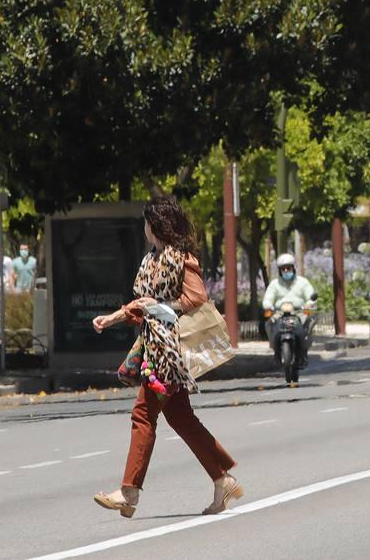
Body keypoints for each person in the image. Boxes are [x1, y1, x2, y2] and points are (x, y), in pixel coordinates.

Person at [91, 196, 241, 519]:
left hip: (169, 352)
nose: (144, 228)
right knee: (181, 419)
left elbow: (196, 296)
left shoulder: (181, 259)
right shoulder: (152, 260)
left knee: (143, 415)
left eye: (147, 222)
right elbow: (142, 303)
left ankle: (129, 492)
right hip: (153, 345)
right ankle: (222, 478)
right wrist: (113, 318)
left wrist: (164, 308)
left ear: (156, 224)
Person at [262, 254, 318, 367]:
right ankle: (275, 350)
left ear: (293, 268)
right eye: (283, 269)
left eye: (288, 268)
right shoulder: (274, 284)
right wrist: (268, 306)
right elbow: (267, 299)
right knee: (268, 324)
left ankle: (304, 350)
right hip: (279, 313)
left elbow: (310, 296)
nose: (286, 271)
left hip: (299, 312)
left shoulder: (303, 282)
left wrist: (309, 304)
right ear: (279, 270)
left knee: (309, 323)